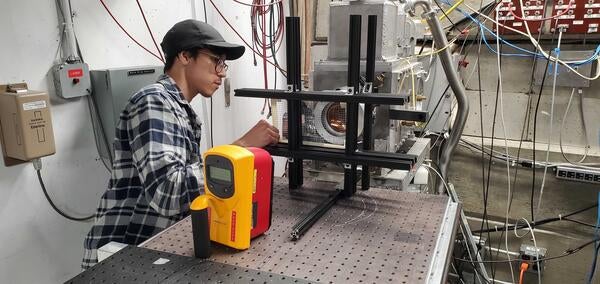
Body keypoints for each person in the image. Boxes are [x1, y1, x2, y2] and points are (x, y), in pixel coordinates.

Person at [82, 19, 280, 269]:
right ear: (185, 56)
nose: (221, 72)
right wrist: (238, 148)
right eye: (215, 61)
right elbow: (167, 192)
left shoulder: (179, 110)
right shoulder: (152, 102)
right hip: (122, 254)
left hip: (150, 250)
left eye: (224, 64)